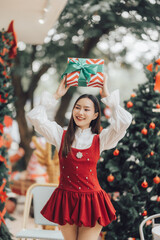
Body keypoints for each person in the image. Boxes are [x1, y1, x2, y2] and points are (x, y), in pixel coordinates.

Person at [26, 75, 132, 240]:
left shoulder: (101, 138)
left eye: (86, 109)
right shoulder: (60, 134)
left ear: (95, 115)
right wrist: (56, 95)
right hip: (66, 200)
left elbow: (124, 122)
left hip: (91, 201)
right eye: (77, 107)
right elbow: (34, 117)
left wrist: (107, 97)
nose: (80, 112)